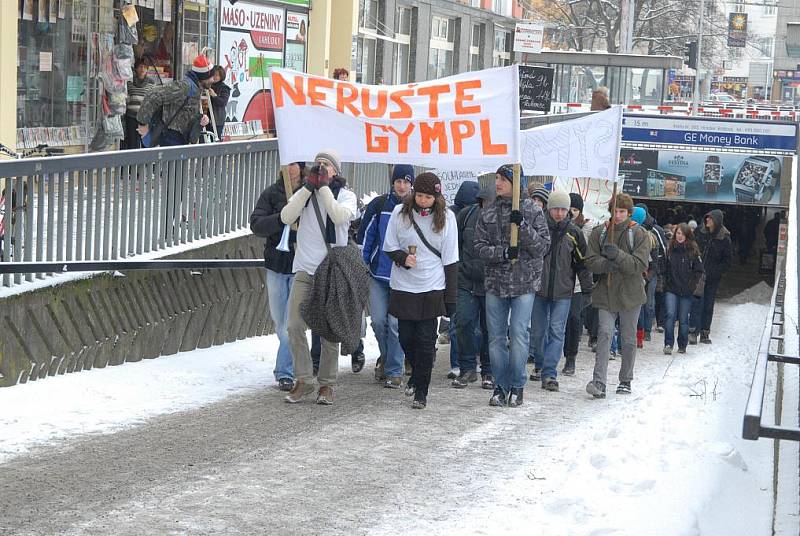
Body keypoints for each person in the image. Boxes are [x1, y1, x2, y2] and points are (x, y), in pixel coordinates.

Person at [280, 150, 357, 405]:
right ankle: (304, 378)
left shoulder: (346, 195)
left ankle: (327, 384)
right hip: (305, 267)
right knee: (294, 325)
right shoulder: (306, 192)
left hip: (331, 271)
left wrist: (323, 189)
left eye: (327, 165)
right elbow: (286, 217)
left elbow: (338, 216)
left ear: (336, 170)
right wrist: (307, 188)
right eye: (318, 164)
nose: (321, 168)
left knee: (328, 331)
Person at [475, 165, 550, 407]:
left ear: (515, 183)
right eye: (496, 178)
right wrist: (504, 253)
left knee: (518, 333)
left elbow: (542, 247)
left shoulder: (533, 211)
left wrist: (524, 228)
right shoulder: (488, 212)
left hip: (524, 282)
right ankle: (500, 385)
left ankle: (517, 384)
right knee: (496, 337)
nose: (497, 183)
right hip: (495, 283)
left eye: (503, 179)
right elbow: (479, 247)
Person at [382, 173, 459, 409]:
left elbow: (451, 259)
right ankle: (416, 374)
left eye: (428, 197)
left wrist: (451, 297)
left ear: (437, 197)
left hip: (432, 285)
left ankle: (421, 390)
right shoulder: (400, 213)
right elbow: (389, 246)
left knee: (425, 341)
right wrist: (403, 258)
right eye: (420, 196)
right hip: (405, 285)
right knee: (405, 337)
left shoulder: (447, 217)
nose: (423, 201)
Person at [584, 193, 650, 398]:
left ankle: (625, 379)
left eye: (622, 211)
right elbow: (590, 260)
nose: (618, 215)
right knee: (604, 333)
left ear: (629, 213)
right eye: (615, 210)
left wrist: (618, 255)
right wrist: (606, 264)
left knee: (628, 338)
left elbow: (639, 265)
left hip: (631, 293)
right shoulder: (600, 232)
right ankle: (599, 381)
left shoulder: (639, 235)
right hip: (606, 292)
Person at [249, 162, 305, 391]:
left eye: (295, 165)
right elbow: (256, 224)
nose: (290, 170)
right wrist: (281, 219)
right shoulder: (271, 193)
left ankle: (285, 372)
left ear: (301, 168)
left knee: (292, 323)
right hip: (275, 265)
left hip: (300, 266)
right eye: (287, 165)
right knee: (280, 323)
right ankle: (294, 364)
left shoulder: (309, 194)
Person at [529, 191, 592, 392]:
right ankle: (540, 363)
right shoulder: (539, 229)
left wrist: (588, 289)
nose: (559, 213)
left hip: (564, 291)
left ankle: (549, 373)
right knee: (538, 332)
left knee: (557, 332)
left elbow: (583, 263)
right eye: (556, 208)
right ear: (549, 208)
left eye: (563, 209)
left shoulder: (574, 233)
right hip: (538, 289)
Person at [358, 164, 414, 387]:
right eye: (398, 181)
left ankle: (393, 370)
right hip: (377, 273)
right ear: (393, 182)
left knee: (395, 324)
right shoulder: (379, 204)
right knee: (379, 322)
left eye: (406, 182)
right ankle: (387, 356)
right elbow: (366, 236)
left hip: (403, 276)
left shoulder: (416, 208)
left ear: (411, 184)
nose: (401, 186)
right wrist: (362, 264)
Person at [451, 187, 494, 390]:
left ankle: (488, 370)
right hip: (466, 280)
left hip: (491, 283)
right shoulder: (466, 216)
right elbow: (454, 245)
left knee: (490, 329)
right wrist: (458, 268)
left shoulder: (504, 221)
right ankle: (467, 368)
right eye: (484, 202)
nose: (487, 207)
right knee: (464, 323)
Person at [137, 55, 214, 146]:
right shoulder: (185, 86)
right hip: (171, 138)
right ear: (203, 77)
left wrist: (200, 119)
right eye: (211, 77)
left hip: (180, 138)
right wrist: (143, 123)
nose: (213, 80)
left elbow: (185, 111)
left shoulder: (195, 88)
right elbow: (153, 95)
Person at [562, 193, 594, 375]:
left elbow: (585, 259)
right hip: (560, 283)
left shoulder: (586, 229)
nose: (572, 213)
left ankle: (570, 357)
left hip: (577, 284)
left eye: (575, 209)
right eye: (570, 209)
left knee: (574, 319)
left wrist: (588, 287)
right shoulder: (559, 227)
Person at [690, 209, 732, 345]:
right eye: (707, 218)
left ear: (716, 221)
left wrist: (715, 272)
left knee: (708, 304)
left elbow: (727, 261)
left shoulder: (724, 238)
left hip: (712, 277)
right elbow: (693, 249)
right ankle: (693, 331)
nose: (707, 220)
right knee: (696, 303)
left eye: (710, 218)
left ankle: (704, 332)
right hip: (698, 274)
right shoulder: (700, 233)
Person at [663, 223, 704, 355]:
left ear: (688, 236)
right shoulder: (670, 249)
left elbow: (699, 270)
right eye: (678, 233)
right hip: (671, 288)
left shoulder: (693, 251)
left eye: (683, 234)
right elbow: (664, 268)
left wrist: (692, 285)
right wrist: (666, 282)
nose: (680, 236)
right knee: (670, 315)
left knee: (683, 318)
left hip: (686, 290)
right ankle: (668, 343)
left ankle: (682, 344)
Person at [123, 58, 153, 149]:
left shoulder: (151, 84)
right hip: (131, 116)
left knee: (145, 142)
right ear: (136, 69)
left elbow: (152, 101)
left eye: (145, 67)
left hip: (144, 118)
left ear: (147, 69)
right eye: (140, 66)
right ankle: (132, 163)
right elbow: (126, 98)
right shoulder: (129, 82)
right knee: (132, 143)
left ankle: (144, 163)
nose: (142, 69)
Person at [208, 65, 231, 139]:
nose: (214, 77)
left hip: (217, 120)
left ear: (221, 76)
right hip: (205, 118)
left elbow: (223, 103)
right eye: (213, 74)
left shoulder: (224, 88)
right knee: (203, 140)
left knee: (215, 139)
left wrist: (214, 95)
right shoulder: (207, 85)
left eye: (217, 75)